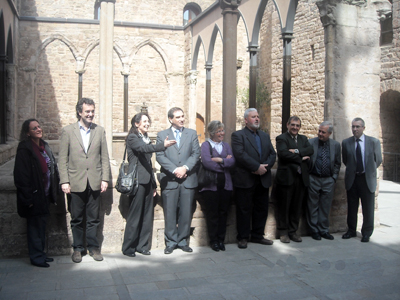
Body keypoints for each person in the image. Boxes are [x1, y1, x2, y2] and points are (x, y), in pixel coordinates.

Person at [58, 98, 110, 263]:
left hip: (94, 181)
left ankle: (94, 248)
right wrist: (64, 181)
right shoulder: (68, 131)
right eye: (87, 111)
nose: (90, 114)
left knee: (94, 218)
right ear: (79, 112)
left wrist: (105, 179)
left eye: (92, 111)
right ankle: (78, 249)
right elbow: (62, 159)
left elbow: (105, 158)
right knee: (77, 218)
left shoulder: (99, 131)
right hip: (75, 182)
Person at [122, 112, 176, 257]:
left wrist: (153, 185)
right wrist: (162, 145)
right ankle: (128, 248)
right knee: (135, 215)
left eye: (148, 121)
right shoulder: (133, 138)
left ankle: (142, 246)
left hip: (147, 181)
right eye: (144, 121)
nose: (147, 123)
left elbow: (148, 164)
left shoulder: (145, 138)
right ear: (136, 124)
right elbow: (144, 149)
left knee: (147, 215)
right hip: (137, 181)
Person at [14, 119, 59, 268]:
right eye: (34, 128)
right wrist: (28, 198)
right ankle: (36, 257)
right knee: (34, 228)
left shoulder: (44, 146)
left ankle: (41, 254)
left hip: (44, 195)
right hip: (33, 195)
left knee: (41, 226)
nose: (38, 129)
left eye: (39, 126)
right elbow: (21, 176)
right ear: (27, 133)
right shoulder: (25, 149)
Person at [156, 107, 200, 254]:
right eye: (178, 117)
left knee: (186, 212)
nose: (182, 119)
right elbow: (160, 156)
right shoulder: (162, 135)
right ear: (170, 119)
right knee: (169, 212)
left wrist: (185, 168)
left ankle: (183, 241)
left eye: (183, 116)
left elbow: (196, 153)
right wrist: (175, 170)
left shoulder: (192, 134)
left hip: (188, 180)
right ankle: (170, 242)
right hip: (170, 180)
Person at [231, 108, 276, 249]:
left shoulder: (264, 136)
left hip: (263, 178)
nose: (257, 119)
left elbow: (272, 154)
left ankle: (258, 235)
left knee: (261, 208)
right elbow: (240, 154)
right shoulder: (238, 136)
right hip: (246, 179)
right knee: (244, 209)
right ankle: (243, 237)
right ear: (246, 120)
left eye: (257, 116)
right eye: (253, 117)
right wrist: (256, 166)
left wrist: (265, 168)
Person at [342, 117, 382, 242]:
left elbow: (378, 160)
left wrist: (369, 171)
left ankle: (366, 232)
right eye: (353, 127)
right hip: (353, 179)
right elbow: (346, 160)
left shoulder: (373, 142)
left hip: (366, 179)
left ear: (363, 128)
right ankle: (351, 230)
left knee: (368, 207)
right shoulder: (346, 142)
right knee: (352, 206)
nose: (355, 129)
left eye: (357, 127)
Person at [275, 116, 313, 243]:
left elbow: (310, 149)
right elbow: (283, 154)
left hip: (301, 178)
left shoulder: (303, 139)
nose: (295, 127)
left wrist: (296, 151)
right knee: (284, 206)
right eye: (293, 125)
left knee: (297, 206)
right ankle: (283, 232)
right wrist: (300, 157)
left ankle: (293, 231)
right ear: (287, 125)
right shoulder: (281, 138)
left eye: (297, 125)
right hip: (287, 178)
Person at [200, 120, 235, 252]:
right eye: (218, 131)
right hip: (211, 186)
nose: (221, 133)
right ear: (211, 132)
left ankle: (221, 239)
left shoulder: (226, 145)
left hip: (226, 185)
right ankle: (213, 240)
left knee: (223, 213)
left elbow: (233, 162)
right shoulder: (205, 145)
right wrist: (225, 163)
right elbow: (207, 163)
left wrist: (220, 160)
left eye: (222, 131)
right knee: (212, 214)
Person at [307, 121, 341, 240]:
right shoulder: (311, 142)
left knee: (325, 206)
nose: (320, 134)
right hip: (314, 178)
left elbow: (337, 163)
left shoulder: (336, 145)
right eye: (319, 131)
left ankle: (324, 230)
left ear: (330, 133)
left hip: (328, 180)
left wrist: (334, 178)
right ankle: (314, 230)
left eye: (323, 132)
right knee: (312, 205)